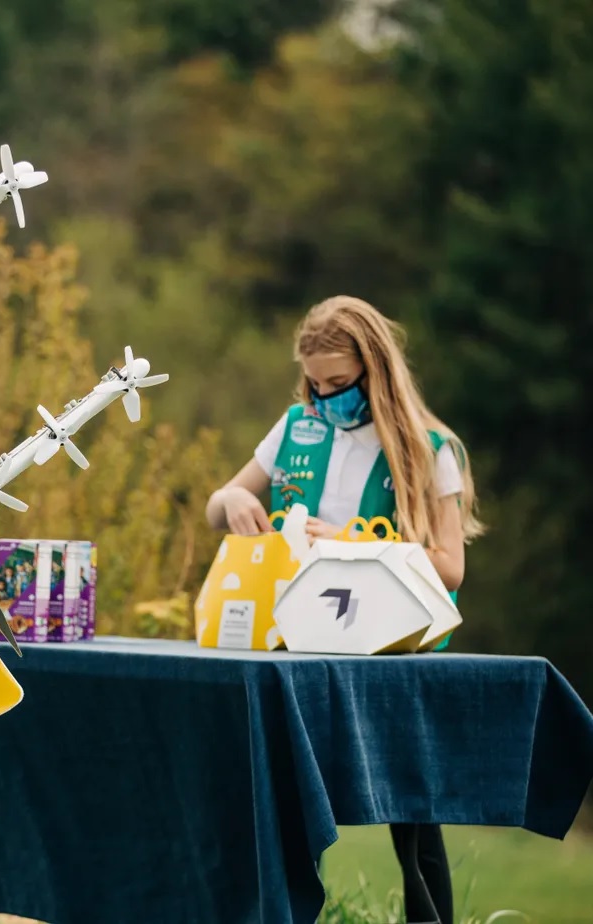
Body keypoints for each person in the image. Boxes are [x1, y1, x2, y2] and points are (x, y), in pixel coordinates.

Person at [205, 295, 484, 924]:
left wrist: (359, 543)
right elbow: (218, 506)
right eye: (315, 382)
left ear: (375, 370)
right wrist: (229, 499)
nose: (326, 395)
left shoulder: (431, 447)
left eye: (340, 382)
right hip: (296, 640)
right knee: (286, 792)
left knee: (411, 808)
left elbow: (449, 565)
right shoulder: (296, 427)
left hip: (391, 653)